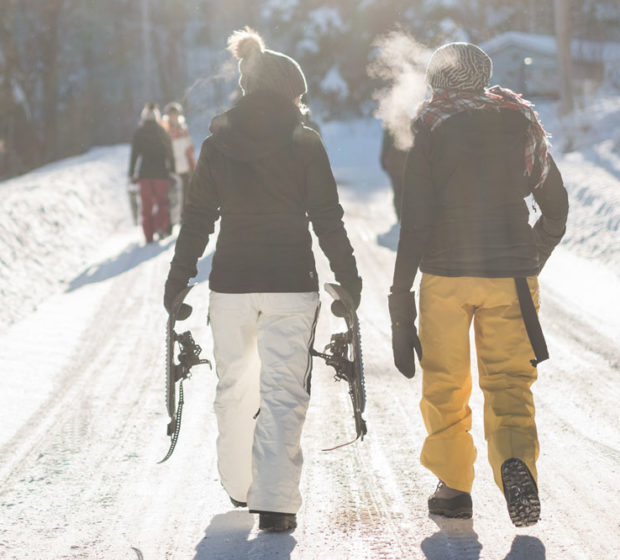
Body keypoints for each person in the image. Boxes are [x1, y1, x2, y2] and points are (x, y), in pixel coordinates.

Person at [163, 27, 361, 533]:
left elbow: (198, 217)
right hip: (292, 283)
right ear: (291, 93)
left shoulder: (216, 143)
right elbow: (327, 217)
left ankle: (239, 484)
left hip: (231, 284)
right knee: (282, 391)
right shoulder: (305, 143)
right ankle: (274, 502)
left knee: (234, 387)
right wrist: (349, 277)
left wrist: (178, 277)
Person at [388, 42, 568, 527]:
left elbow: (417, 220)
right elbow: (557, 208)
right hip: (511, 275)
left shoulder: (430, 124)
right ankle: (515, 461)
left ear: (437, 80)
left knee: (446, 382)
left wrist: (399, 295)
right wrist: (533, 255)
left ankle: (453, 488)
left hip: (446, 276)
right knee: (510, 380)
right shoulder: (521, 121)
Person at [129, 102, 175, 243]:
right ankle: (161, 227)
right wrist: (172, 170)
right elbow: (170, 152)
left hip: (145, 175)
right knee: (162, 203)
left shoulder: (139, 133)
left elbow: (134, 154)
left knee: (146, 206)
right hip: (161, 174)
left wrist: (131, 173)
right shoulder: (162, 131)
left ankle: (148, 235)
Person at [162, 102, 196, 225]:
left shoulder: (183, 129)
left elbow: (190, 147)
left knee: (186, 195)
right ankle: (171, 221)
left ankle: (184, 218)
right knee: (173, 196)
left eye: (175, 114)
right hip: (172, 169)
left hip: (186, 167)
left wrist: (192, 163)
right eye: (171, 115)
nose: (174, 117)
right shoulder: (165, 131)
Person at [379, 126, 408, 221]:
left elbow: (385, 143)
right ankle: (405, 215)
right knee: (406, 191)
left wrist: (383, 159)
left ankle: (400, 216)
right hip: (406, 163)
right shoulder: (410, 121)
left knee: (398, 191)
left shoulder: (391, 122)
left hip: (393, 163)